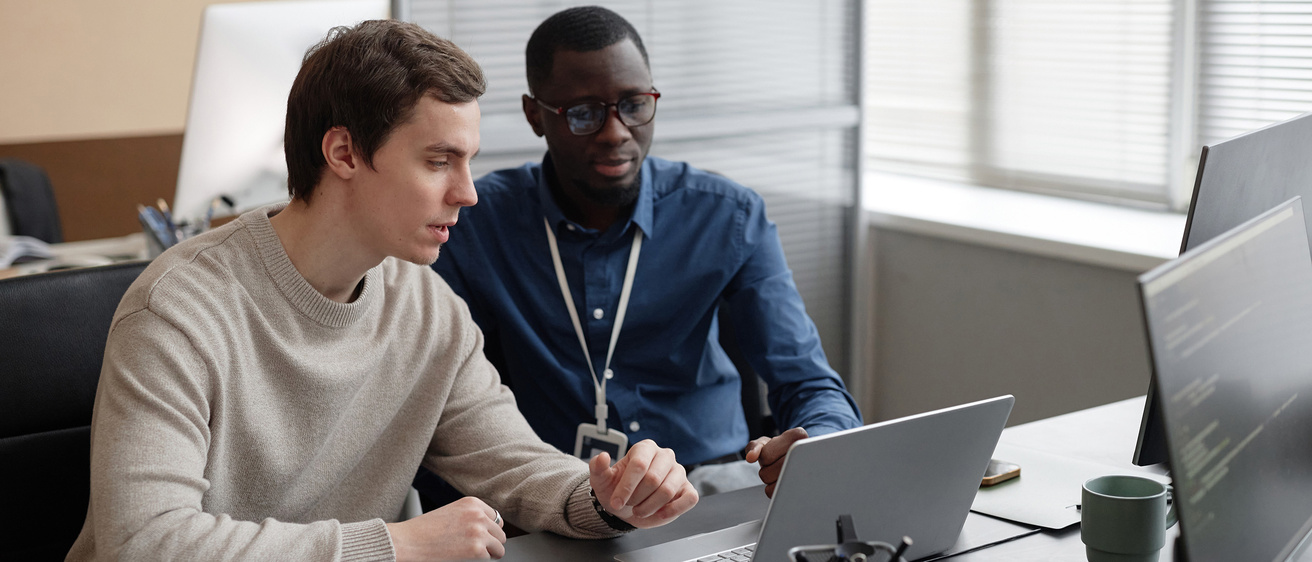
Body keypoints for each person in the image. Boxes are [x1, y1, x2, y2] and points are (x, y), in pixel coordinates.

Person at [67, 20, 697, 562]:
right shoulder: (178, 310)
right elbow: (143, 543)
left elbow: (515, 464)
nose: (467, 192)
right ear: (343, 152)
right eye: (437, 161)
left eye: (469, 161)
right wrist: (397, 546)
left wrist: (608, 499)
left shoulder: (427, 308)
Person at [431, 6, 862, 498]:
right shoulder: (474, 227)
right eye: (584, 114)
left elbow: (809, 383)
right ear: (536, 115)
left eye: (634, 104)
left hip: (711, 488)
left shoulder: (728, 217)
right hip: (551, 501)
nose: (616, 133)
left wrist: (814, 447)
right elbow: (443, 413)